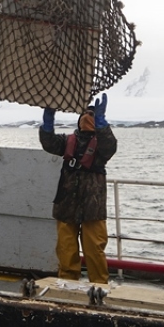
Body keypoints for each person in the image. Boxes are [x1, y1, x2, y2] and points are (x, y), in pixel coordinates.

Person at [39, 93, 117, 284]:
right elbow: (49, 143)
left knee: (95, 250)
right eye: (85, 114)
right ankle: (67, 284)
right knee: (66, 251)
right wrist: (48, 122)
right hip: (66, 205)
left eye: (92, 114)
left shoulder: (102, 146)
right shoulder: (67, 141)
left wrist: (102, 124)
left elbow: (111, 145)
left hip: (93, 207)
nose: (87, 117)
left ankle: (99, 287)